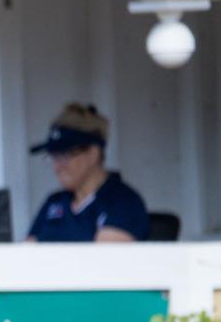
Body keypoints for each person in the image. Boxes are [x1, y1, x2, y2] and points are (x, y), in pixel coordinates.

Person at [26, 103, 149, 243]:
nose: (57, 167)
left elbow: (103, 263)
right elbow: (26, 257)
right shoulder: (54, 201)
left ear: (93, 153)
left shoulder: (123, 202)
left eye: (65, 155)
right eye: (53, 157)